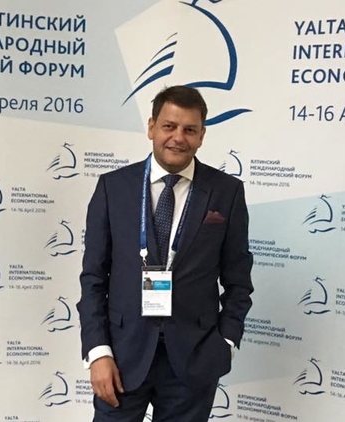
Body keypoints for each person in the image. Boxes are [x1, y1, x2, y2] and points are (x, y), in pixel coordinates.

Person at [78, 85, 254, 422]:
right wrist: (98, 351)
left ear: (201, 136)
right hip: (121, 357)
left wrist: (226, 343)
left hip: (194, 360)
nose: (178, 138)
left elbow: (238, 280)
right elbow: (93, 278)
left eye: (189, 129)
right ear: (151, 127)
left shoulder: (227, 192)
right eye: (169, 126)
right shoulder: (113, 187)